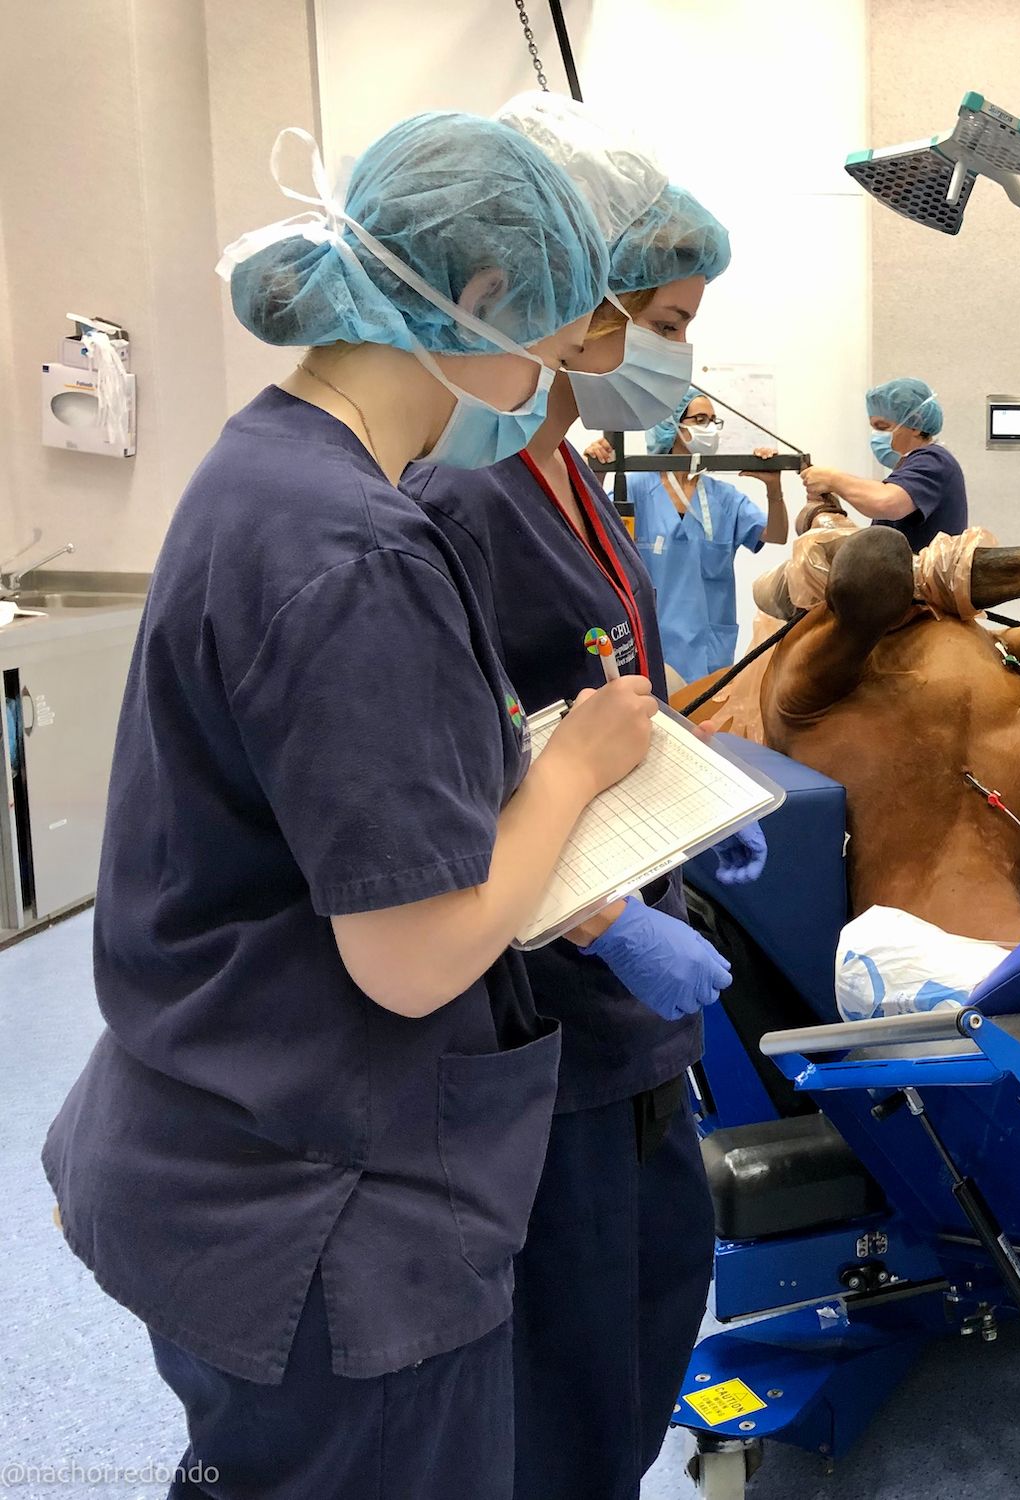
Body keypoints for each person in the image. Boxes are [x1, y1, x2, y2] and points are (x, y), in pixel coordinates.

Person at [39, 113, 661, 1498]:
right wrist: (568, 776)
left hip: (207, 1133)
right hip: (316, 1203)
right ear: (484, 299)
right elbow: (412, 956)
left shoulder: (265, 471)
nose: (554, 375)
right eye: (559, 335)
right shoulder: (354, 549)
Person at [401, 96, 760, 1500]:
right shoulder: (464, 495)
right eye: (661, 318)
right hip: (547, 1005)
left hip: (619, 1024)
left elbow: (595, 699)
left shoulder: (570, 474)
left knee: (641, 1320)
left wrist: (687, 809)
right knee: (567, 1378)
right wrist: (609, 915)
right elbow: (456, 776)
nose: (674, 354)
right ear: (563, 301)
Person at [617, 387, 789, 682]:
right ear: (672, 425)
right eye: (700, 419)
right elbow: (597, 535)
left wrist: (774, 489)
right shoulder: (635, 488)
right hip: (652, 641)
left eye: (713, 420)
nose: (709, 428)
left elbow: (776, 534)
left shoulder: (723, 498)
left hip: (709, 649)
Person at [801, 376, 967, 549]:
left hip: (921, 576)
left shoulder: (933, 461)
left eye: (882, 427)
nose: (876, 435)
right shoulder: (912, 466)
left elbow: (885, 501)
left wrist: (832, 479)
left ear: (915, 424)